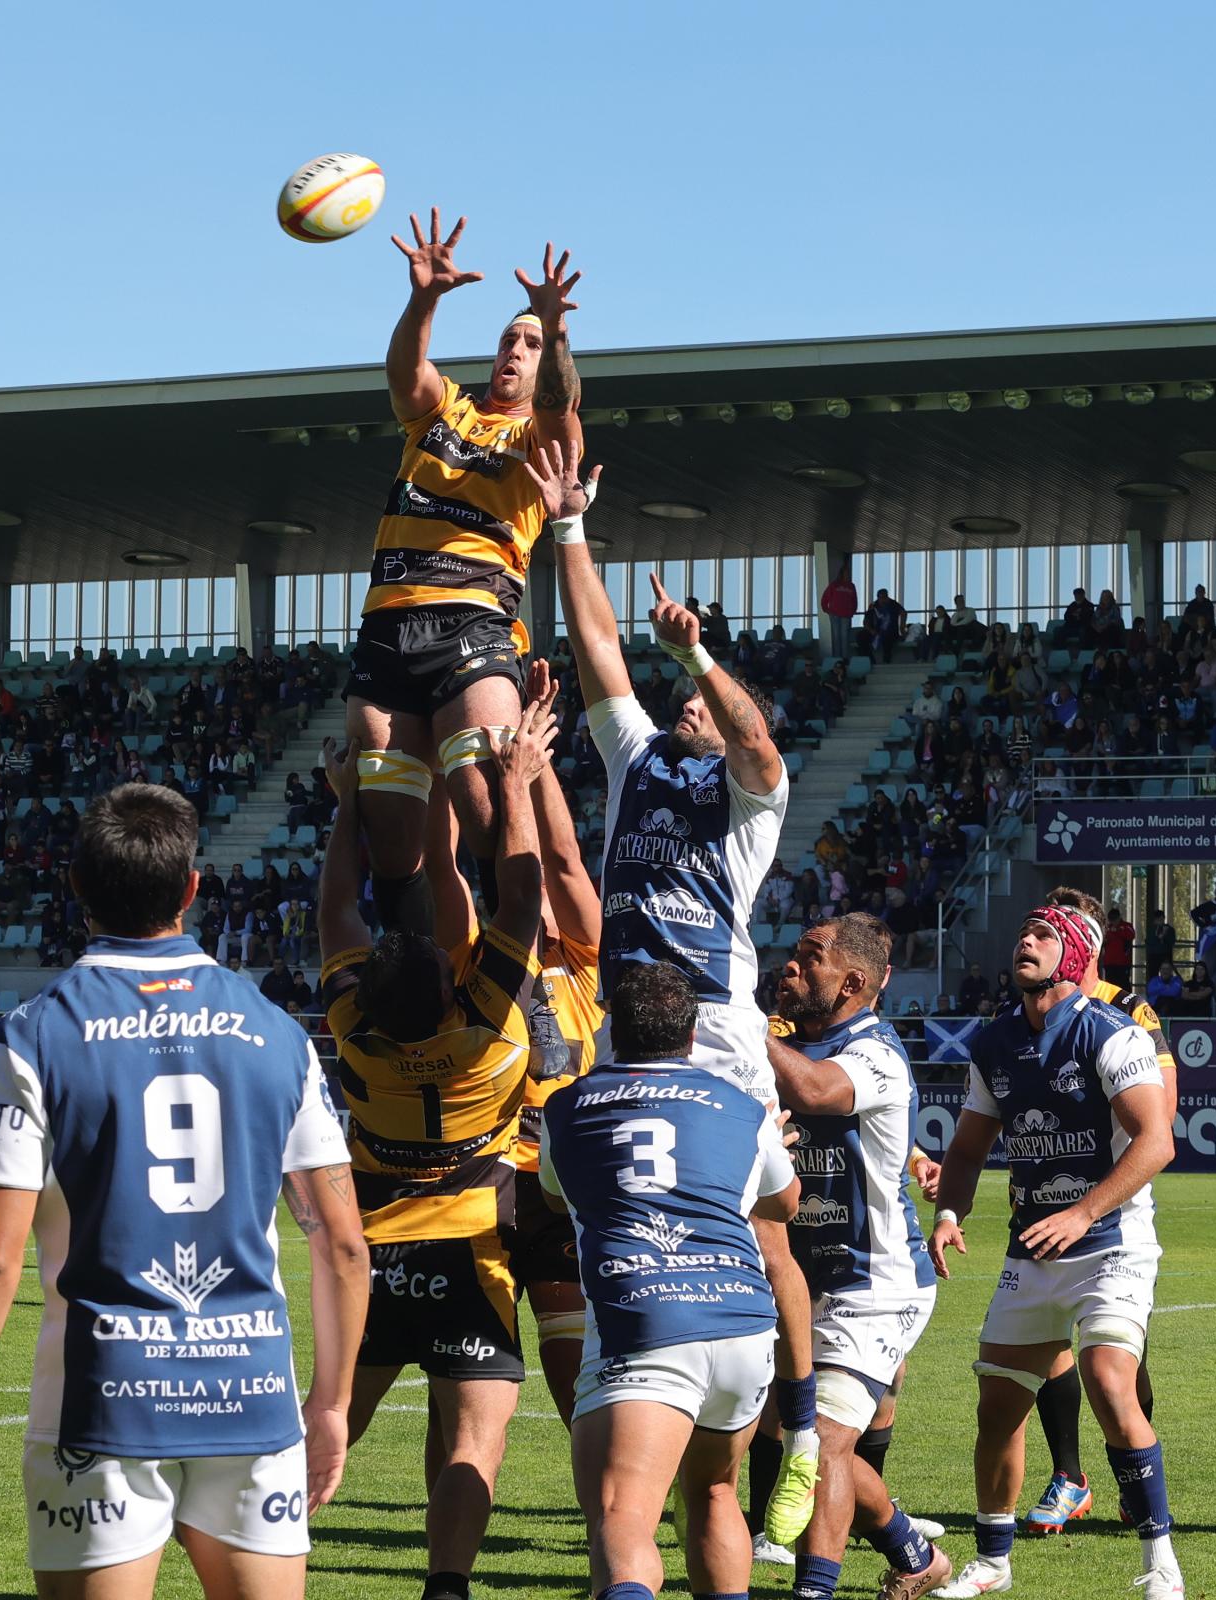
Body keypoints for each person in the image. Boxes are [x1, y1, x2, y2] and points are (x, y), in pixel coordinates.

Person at [0, 783, 369, 1598]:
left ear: (77, 889)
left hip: (101, 1402)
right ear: (193, 889)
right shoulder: (277, 1034)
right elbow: (339, 1242)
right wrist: (329, 1404)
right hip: (250, 1395)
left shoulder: (34, 1035)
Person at [527, 437, 819, 1547]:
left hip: (718, 1032)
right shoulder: (639, 757)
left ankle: (794, 1434)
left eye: (706, 706)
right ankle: (644, 1382)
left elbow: (756, 737)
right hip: (630, 1028)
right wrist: (570, 530)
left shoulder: (752, 802)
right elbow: (600, 648)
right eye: (688, 700)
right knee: (623, 1211)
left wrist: (701, 660)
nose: (694, 712)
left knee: (767, 1235)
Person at [318, 692, 552, 1600]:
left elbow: (340, 905)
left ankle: (248, 1547)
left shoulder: (354, 1033)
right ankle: (446, 1588)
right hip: (470, 1251)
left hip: (374, 1261)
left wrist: (348, 804)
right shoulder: (485, 1033)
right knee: (472, 1438)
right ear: (450, 990)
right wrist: (518, 783)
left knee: (331, 1418)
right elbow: (524, 893)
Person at [340, 209, 584, 938]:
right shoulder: (444, 410)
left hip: (472, 625)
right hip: (386, 627)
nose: (515, 347)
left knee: (486, 806)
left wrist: (557, 327)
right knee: (390, 842)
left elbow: (561, 406)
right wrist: (425, 298)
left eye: (530, 343)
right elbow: (403, 373)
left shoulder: (538, 437)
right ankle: (421, 977)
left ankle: (528, 975)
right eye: (510, 336)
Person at [927, 905, 1181, 1599]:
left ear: (1073, 955)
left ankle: (1160, 1562)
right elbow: (968, 1148)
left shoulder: (1112, 1033)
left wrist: (1082, 1211)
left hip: (1111, 1241)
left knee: (1106, 1382)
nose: (1024, 942)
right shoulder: (994, 1041)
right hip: (1031, 1248)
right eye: (1022, 933)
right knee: (997, 1405)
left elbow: (1156, 1142)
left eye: (1043, 935)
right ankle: (991, 1560)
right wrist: (949, 1211)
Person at [540, 961, 799, 1600]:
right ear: (690, 1035)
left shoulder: (566, 1107)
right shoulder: (743, 1107)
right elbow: (786, 1204)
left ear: (610, 1028)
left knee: (624, 1514)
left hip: (645, 1321)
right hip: (743, 1322)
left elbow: (553, 1195)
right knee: (714, 1492)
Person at [425, 668, 604, 1432]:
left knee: (572, 1374)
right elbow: (446, 873)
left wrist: (532, 770)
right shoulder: (474, 956)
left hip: (565, 1182)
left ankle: (612, 1495)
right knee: (465, 1388)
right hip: (491, 1179)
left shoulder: (588, 957)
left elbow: (559, 862)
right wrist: (440, 772)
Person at [765, 916, 949, 1600]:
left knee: (826, 1445)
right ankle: (913, 1553)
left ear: (851, 983)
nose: (789, 967)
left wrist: (738, 1028)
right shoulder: (789, 1040)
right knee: (800, 1437)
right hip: (803, 1282)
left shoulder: (874, 1051)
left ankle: (813, 1591)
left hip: (876, 1283)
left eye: (808, 960)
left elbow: (815, 1093)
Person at [1021, 885, 1179, 1534]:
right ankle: (1067, 1476)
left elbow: (1159, 1110)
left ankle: (1128, 1467)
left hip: (1108, 1210)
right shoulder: (1025, 1007)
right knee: (1045, 1345)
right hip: (1037, 1205)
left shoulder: (1126, 1010)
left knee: (1117, 1359)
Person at [821, 562, 858, 661]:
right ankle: (837, 658)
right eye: (845, 573)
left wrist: (852, 611)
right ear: (841, 574)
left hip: (846, 615)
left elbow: (854, 600)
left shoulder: (851, 586)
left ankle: (845, 658)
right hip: (835, 614)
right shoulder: (834, 585)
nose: (847, 575)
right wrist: (827, 610)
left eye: (848, 573)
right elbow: (825, 598)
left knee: (844, 636)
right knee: (836, 636)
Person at [1100, 906, 1136, 988]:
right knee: (1110, 984)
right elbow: (1102, 939)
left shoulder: (1126, 926)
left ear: (1119, 918)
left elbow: (1131, 935)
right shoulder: (1107, 928)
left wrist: (1118, 931)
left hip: (1123, 962)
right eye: (1111, 920)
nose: (1113, 922)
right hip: (1109, 962)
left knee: (1124, 984)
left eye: (1115, 920)